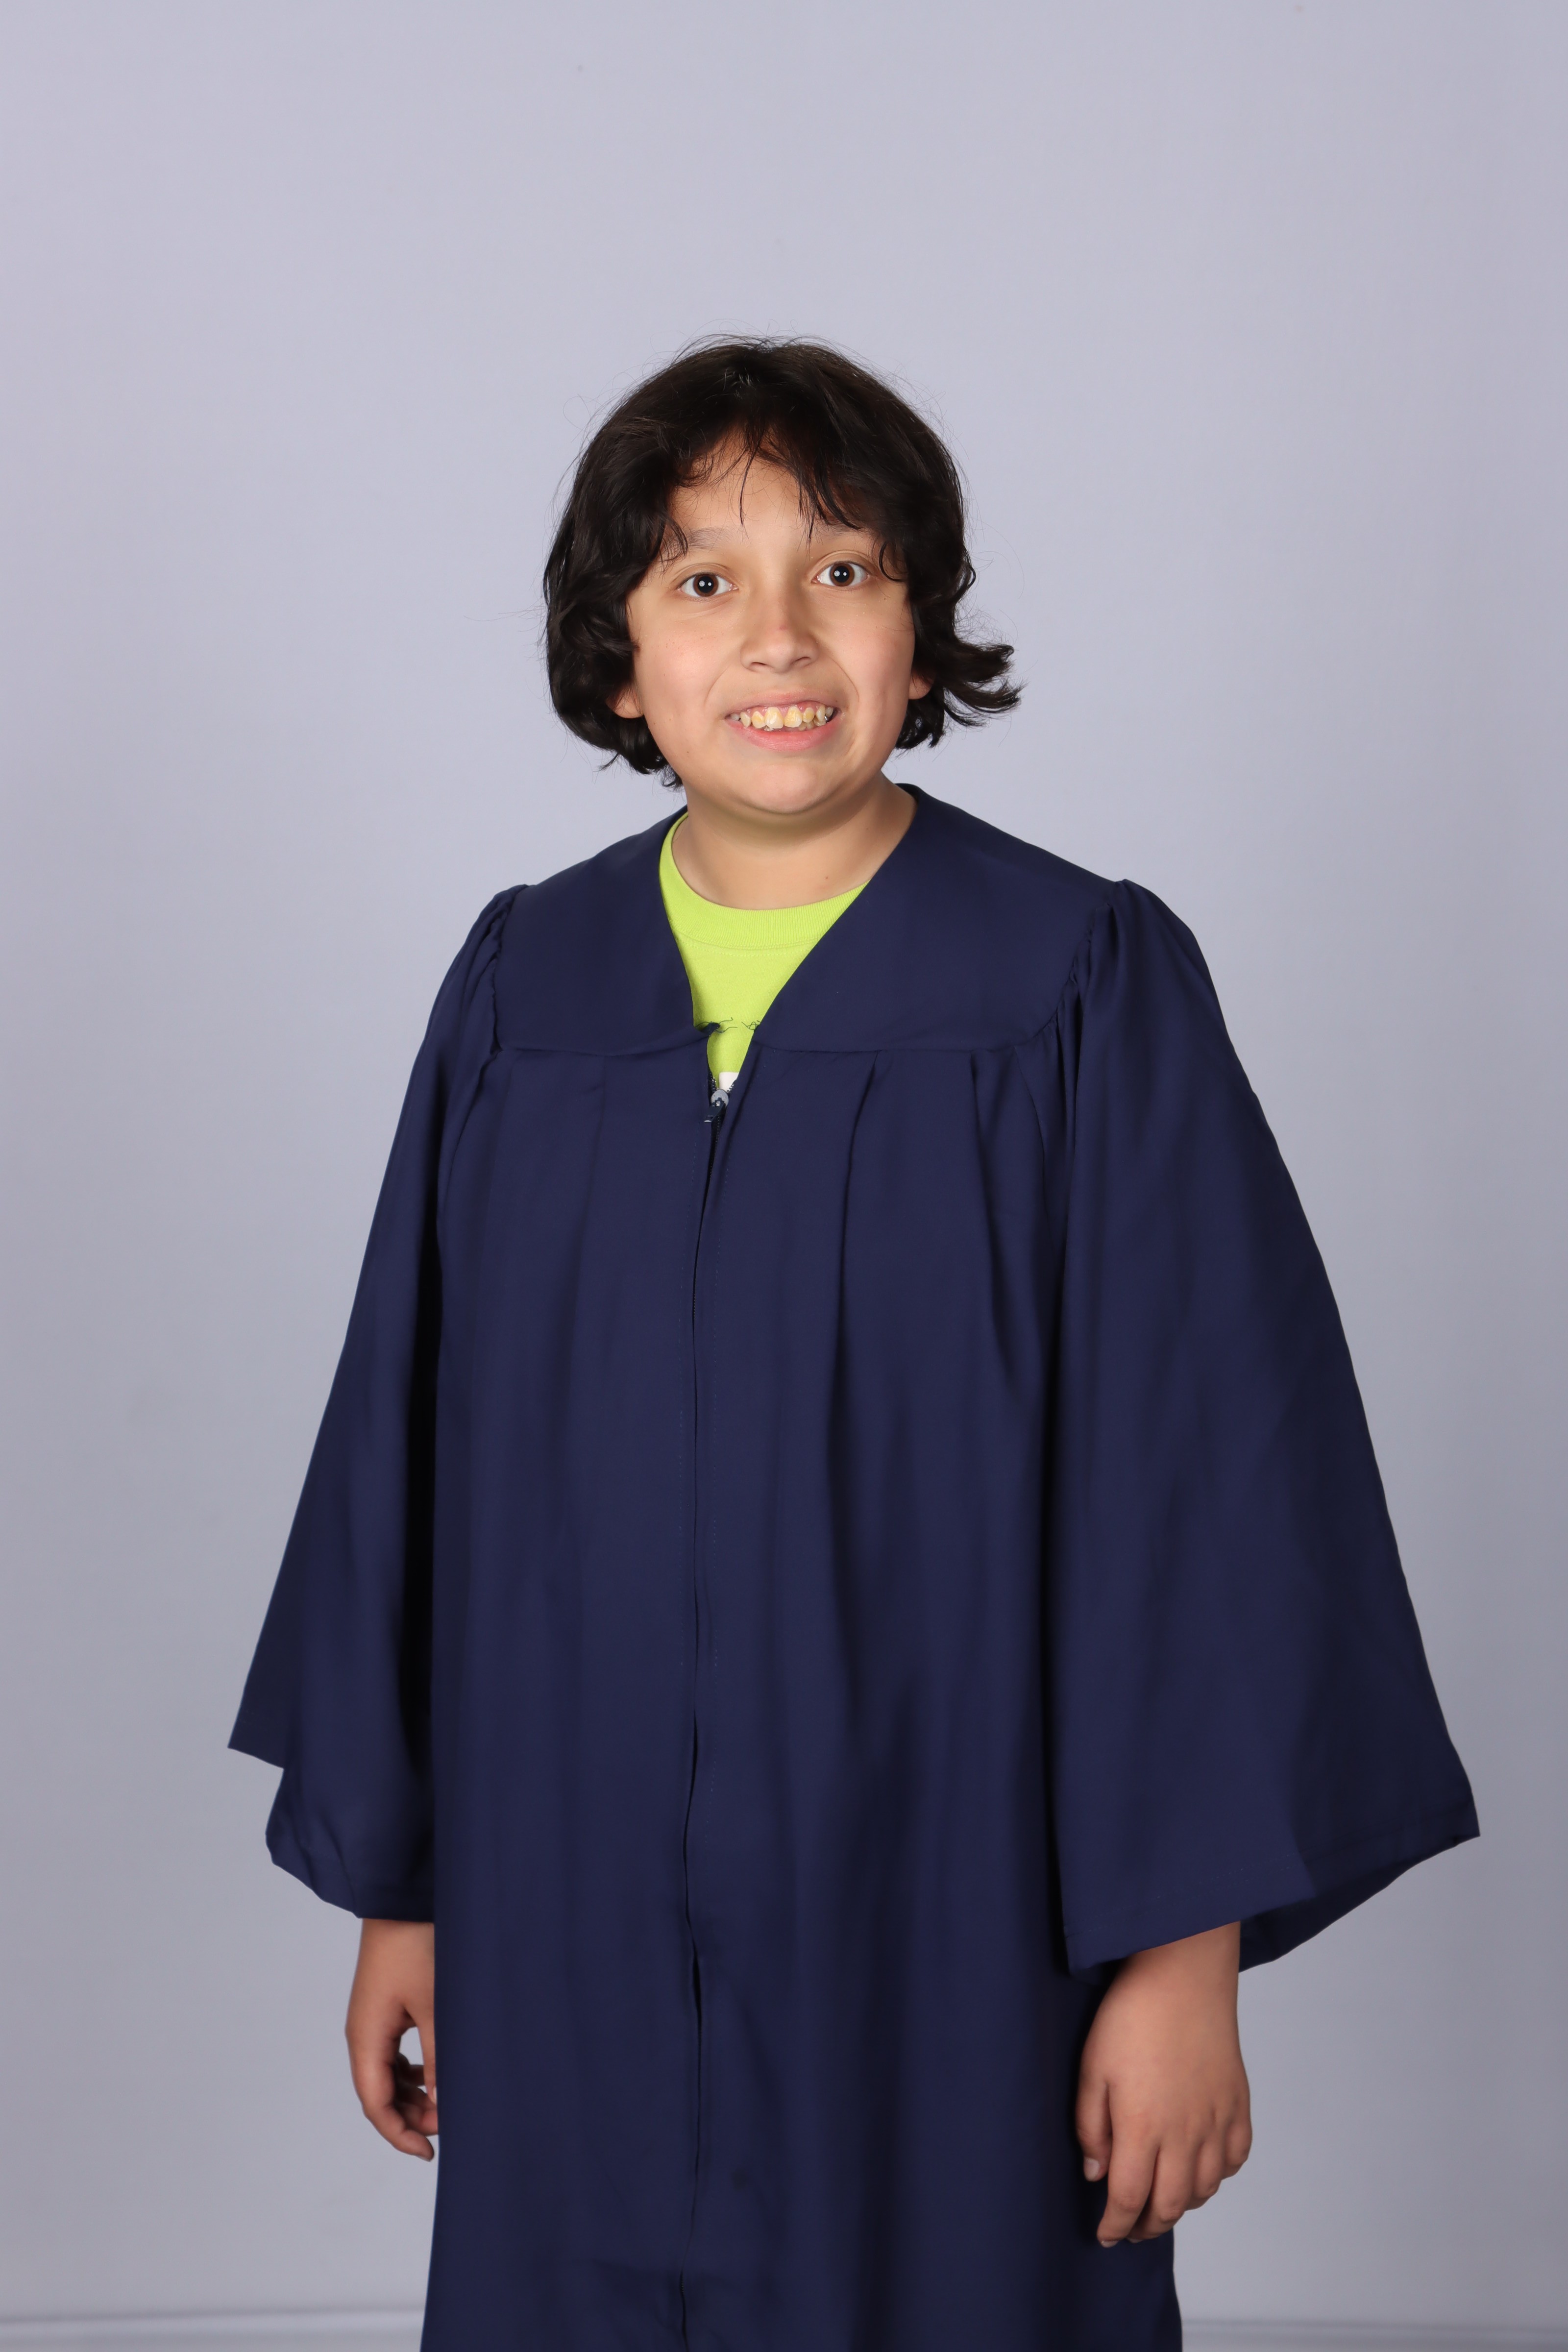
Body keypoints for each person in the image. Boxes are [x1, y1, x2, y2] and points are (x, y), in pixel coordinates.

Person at [230, 340, 1476, 2351]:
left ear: (920, 633)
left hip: (948, 1921)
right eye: (701, 580)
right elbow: (409, 1464)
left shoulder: (1076, 984)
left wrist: (1184, 1958)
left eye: (844, 569)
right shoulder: (525, 992)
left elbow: (1206, 1482)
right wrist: (408, 1888)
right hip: (566, 1919)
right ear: (619, 660)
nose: (779, 638)